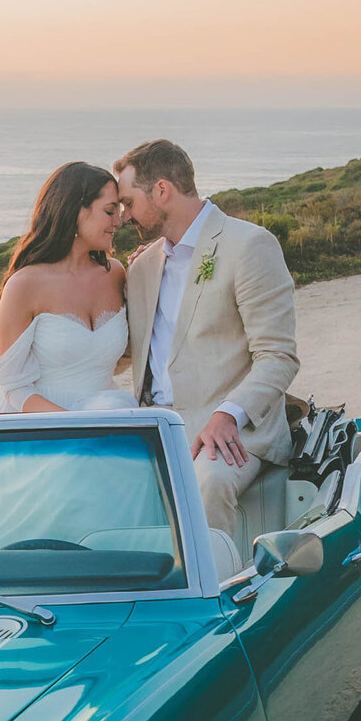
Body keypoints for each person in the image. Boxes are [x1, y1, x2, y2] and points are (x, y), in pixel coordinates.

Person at [113, 138, 299, 542]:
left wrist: (227, 415)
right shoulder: (143, 266)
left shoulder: (249, 245)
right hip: (152, 426)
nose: (125, 215)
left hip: (231, 431)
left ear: (162, 190)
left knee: (209, 481)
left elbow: (278, 356)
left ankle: (217, 595)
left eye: (129, 202)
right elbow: (127, 350)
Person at [0, 162, 138, 413]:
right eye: (110, 211)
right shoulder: (24, 286)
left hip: (105, 415)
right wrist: (74, 428)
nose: (119, 221)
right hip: (40, 425)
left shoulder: (115, 274)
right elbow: (14, 387)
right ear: (76, 211)